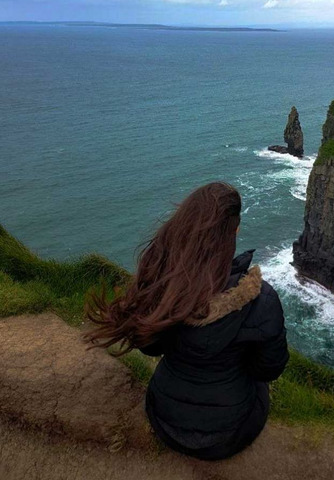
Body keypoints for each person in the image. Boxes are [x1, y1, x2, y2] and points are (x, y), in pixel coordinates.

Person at [82, 181, 289, 460]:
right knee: (259, 385)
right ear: (235, 231)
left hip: (164, 418)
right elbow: (268, 369)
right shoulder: (260, 298)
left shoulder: (164, 288)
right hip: (231, 431)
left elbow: (151, 347)